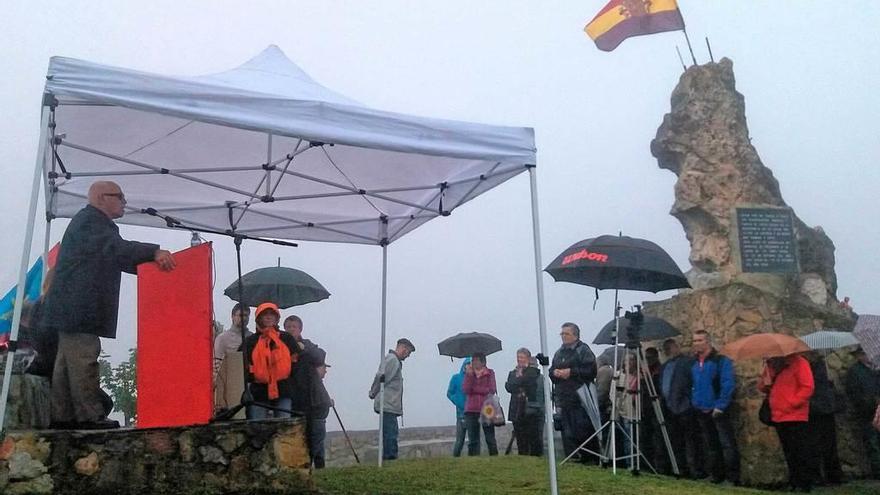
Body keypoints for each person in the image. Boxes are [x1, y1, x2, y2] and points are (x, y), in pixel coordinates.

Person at [41, 181, 176, 429]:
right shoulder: (92, 222)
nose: (124, 201)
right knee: (83, 360)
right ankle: (90, 416)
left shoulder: (90, 223)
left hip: (71, 308)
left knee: (66, 363)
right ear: (102, 197)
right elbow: (114, 250)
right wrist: (153, 253)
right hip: (79, 307)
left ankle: (63, 416)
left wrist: (146, 264)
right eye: (120, 196)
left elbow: (115, 255)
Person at [759, 354, 817, 492]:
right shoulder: (771, 365)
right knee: (789, 451)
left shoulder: (799, 363)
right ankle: (795, 480)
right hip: (779, 415)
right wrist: (766, 376)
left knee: (800, 449)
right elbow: (763, 387)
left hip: (795, 414)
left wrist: (793, 403)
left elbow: (807, 387)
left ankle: (804, 482)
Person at [691, 330, 740, 485]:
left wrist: (720, 406)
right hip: (701, 409)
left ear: (708, 341)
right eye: (694, 341)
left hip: (717, 409)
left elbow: (728, 384)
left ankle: (732, 478)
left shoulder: (720, 361)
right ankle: (717, 476)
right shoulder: (694, 363)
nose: (696, 343)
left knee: (727, 444)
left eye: (699, 340)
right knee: (712, 445)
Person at [549, 322, 598, 463]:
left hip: (581, 399)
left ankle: (590, 460)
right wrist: (555, 373)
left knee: (582, 430)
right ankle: (572, 459)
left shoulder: (583, 350)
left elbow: (591, 371)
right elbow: (551, 372)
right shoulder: (559, 353)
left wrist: (571, 372)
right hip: (563, 398)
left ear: (575, 335)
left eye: (566, 334)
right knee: (567, 432)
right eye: (562, 334)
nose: (563, 336)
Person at [243, 302, 297, 419]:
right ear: (259, 318)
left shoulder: (287, 338)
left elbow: (296, 363)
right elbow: (240, 364)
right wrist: (251, 377)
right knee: (258, 428)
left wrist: (292, 383)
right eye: (265, 314)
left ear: (276, 318)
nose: (268, 317)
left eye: (271, 314)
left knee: (284, 428)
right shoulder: (250, 341)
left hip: (283, 389)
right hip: (258, 391)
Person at [659, 338, 703, 479]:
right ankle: (680, 468)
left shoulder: (688, 363)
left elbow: (695, 383)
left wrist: (690, 402)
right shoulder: (664, 366)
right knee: (675, 441)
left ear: (677, 347)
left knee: (691, 441)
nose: (667, 351)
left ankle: (695, 470)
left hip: (685, 408)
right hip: (670, 409)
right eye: (665, 349)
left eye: (669, 348)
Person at [369, 338, 415, 461]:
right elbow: (381, 377)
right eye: (408, 352)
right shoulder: (392, 360)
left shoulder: (393, 361)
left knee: (390, 433)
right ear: (403, 348)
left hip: (389, 405)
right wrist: (373, 393)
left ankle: (389, 458)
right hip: (387, 404)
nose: (408, 356)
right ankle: (390, 459)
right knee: (391, 435)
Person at [805, 352, 844, 485]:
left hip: (817, 409)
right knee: (828, 445)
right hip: (825, 408)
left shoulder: (813, 368)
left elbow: (814, 388)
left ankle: (821, 475)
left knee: (818, 445)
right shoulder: (822, 367)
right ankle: (833, 475)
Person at [845, 347, 880, 479]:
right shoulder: (854, 372)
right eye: (863, 354)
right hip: (866, 413)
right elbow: (853, 393)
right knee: (872, 443)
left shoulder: (876, 369)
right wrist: (869, 402)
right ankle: (877, 470)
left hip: (878, 410)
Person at [505, 348, 544, 456]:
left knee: (532, 436)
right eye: (518, 357)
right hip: (516, 408)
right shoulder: (512, 373)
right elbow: (508, 387)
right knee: (520, 437)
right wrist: (517, 384)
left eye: (521, 357)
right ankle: (522, 457)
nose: (519, 360)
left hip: (529, 408)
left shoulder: (532, 372)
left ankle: (536, 459)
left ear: (527, 358)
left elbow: (526, 383)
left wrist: (516, 383)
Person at [462, 352, 499, 456]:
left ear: (483, 362)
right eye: (473, 360)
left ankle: (494, 458)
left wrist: (475, 389)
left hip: (486, 408)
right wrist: (469, 375)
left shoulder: (490, 373)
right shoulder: (469, 374)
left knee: (490, 437)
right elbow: (466, 389)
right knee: (473, 439)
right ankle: (473, 460)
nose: (473, 362)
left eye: (476, 360)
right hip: (471, 409)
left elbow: (491, 389)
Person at [307, 348, 333, 469]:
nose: (325, 371)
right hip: (317, 419)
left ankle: (319, 467)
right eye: (324, 368)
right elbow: (318, 401)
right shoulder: (314, 382)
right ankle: (314, 466)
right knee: (316, 445)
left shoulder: (317, 382)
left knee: (319, 445)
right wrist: (327, 402)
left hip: (320, 418)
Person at [213, 303, 252, 380]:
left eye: (246, 315)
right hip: (231, 381)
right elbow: (216, 365)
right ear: (233, 316)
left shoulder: (252, 337)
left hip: (250, 382)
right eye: (241, 315)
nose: (244, 318)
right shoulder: (222, 338)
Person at [446, 357, 471, 457]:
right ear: (464, 366)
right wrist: (457, 401)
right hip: (460, 413)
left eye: (471, 364)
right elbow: (449, 393)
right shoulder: (456, 378)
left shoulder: (475, 379)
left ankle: (473, 459)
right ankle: (455, 458)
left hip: (472, 413)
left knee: (473, 439)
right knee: (460, 440)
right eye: (467, 364)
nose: (469, 366)